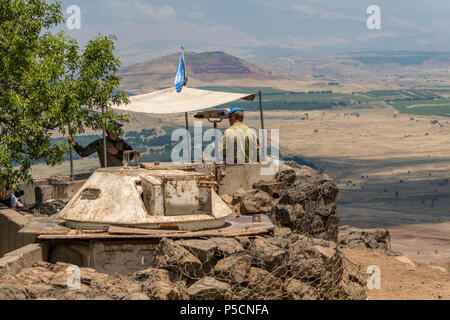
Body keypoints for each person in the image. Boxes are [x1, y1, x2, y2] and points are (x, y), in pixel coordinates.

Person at [67, 121, 134, 168]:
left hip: (120, 172)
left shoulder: (121, 142)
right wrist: (73, 143)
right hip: (107, 174)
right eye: (116, 128)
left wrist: (117, 153)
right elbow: (83, 153)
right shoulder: (101, 143)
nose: (119, 130)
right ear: (110, 130)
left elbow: (131, 155)